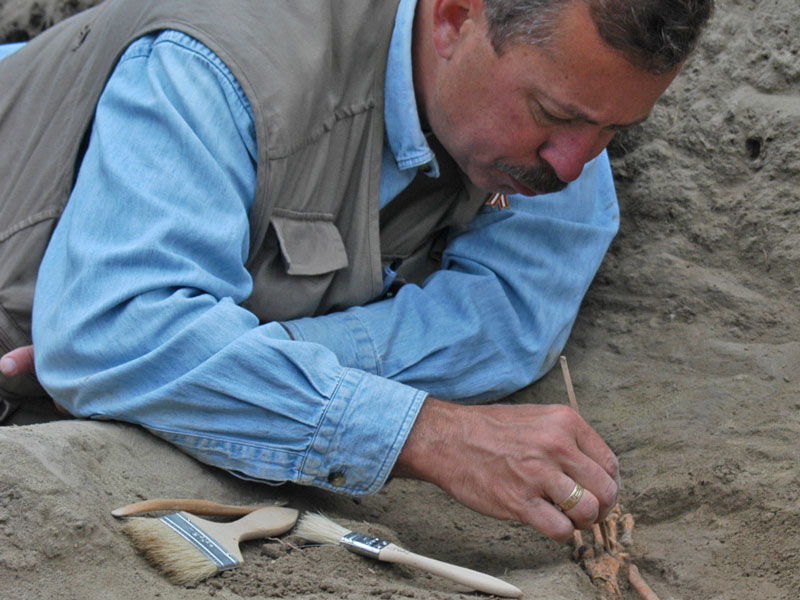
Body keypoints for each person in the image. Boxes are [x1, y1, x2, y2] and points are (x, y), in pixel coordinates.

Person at [0, 0, 713, 542]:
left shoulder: (561, 112)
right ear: (455, 18)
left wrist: (230, 362)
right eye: (553, 115)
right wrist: (425, 434)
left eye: (614, 131)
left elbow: (514, 312)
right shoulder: (222, 55)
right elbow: (118, 331)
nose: (573, 164)